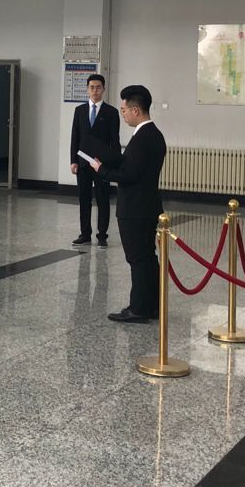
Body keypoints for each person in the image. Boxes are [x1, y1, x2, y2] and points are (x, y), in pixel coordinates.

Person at [89, 85, 166, 324]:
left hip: (135, 208)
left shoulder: (143, 138)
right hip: (147, 205)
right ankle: (152, 305)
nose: (122, 114)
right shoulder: (154, 134)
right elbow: (134, 167)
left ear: (135, 110)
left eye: (123, 110)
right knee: (147, 258)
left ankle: (139, 309)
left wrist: (101, 170)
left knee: (138, 259)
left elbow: (129, 175)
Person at [70, 74, 120, 247]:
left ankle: (102, 235)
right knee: (84, 199)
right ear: (87, 89)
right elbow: (75, 137)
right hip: (83, 163)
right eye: (91, 87)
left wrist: (114, 164)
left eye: (98, 87)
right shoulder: (80, 110)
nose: (95, 90)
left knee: (103, 199)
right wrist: (73, 160)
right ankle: (85, 234)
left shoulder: (111, 112)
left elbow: (115, 141)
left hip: (102, 164)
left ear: (103, 89)